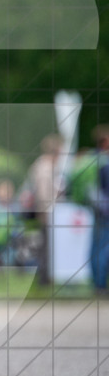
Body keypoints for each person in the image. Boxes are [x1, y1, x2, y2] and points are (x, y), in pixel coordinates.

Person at [24, 133, 64, 286]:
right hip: (45, 211)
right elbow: (42, 193)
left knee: (47, 244)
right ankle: (43, 277)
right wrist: (46, 210)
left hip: (48, 210)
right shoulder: (45, 167)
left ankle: (46, 276)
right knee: (45, 245)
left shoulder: (48, 165)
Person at [88, 125, 109, 293]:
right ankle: (100, 284)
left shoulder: (90, 158)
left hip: (95, 208)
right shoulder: (104, 162)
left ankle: (96, 282)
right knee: (103, 246)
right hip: (105, 210)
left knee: (96, 245)